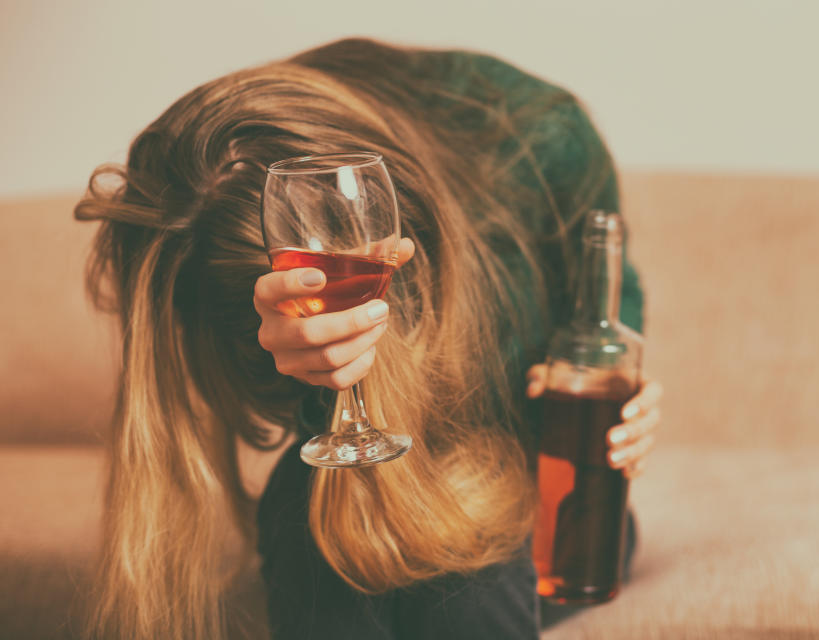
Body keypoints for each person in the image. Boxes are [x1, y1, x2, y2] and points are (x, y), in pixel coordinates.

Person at [75, 38, 663, 640]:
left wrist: (612, 388)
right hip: (360, 506)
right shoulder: (199, 237)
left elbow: (609, 308)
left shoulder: (542, 141)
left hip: (542, 501)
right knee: (317, 505)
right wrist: (311, 378)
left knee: (452, 567)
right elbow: (314, 439)